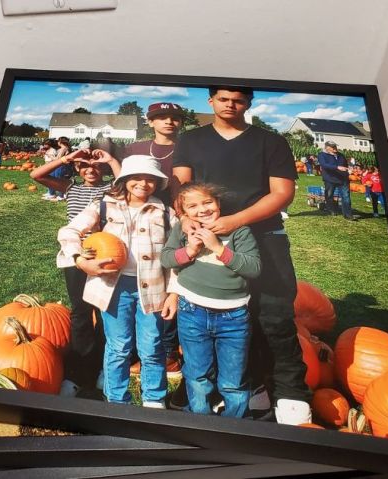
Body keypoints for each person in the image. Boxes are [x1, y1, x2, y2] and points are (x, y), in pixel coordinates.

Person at [172, 86, 312, 425]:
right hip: (205, 237)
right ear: (211, 101)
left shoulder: (270, 142)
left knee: (275, 315)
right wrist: (186, 217)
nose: (230, 105)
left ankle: (290, 393)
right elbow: (181, 185)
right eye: (223, 99)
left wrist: (234, 221)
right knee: (217, 315)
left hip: (264, 234)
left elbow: (283, 193)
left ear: (248, 103)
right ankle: (239, 386)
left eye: (238, 100)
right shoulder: (191, 140)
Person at [58, 155, 178, 407]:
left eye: (150, 179)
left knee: (152, 347)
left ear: (157, 183)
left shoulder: (166, 213)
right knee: (118, 346)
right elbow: (68, 231)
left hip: (154, 289)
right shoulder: (103, 206)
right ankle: (115, 400)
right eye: (136, 177)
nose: (143, 184)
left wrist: (174, 292)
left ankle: (154, 400)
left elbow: (176, 256)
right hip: (114, 288)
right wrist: (80, 259)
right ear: (124, 180)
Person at [161, 182, 261, 417]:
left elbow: (254, 268)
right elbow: (166, 259)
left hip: (233, 316)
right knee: (197, 375)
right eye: (193, 206)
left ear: (218, 204)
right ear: (184, 212)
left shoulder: (238, 231)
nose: (202, 209)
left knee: (233, 380)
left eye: (208, 202)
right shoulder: (183, 230)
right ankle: (200, 421)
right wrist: (191, 251)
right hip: (192, 310)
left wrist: (218, 248)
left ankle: (232, 426)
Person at [32, 148, 121, 398]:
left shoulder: (113, 188)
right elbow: (35, 175)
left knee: (106, 311)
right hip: (77, 255)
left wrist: (111, 161)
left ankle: (105, 365)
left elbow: (126, 180)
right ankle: (80, 369)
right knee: (81, 311)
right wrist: (66, 159)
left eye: (95, 167)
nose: (90, 170)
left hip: (106, 253)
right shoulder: (70, 187)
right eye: (84, 167)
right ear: (77, 169)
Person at [121, 101, 186, 380]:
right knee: (138, 287)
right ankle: (136, 351)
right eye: (161, 117)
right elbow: (125, 179)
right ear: (150, 121)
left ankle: (169, 352)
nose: (168, 122)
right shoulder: (135, 148)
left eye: (174, 118)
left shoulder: (188, 147)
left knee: (166, 282)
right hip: (139, 218)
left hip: (173, 217)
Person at [318, 140, 356, 221]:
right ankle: (331, 209)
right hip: (330, 179)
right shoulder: (322, 155)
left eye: (335, 146)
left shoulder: (341, 155)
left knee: (346, 196)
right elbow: (324, 165)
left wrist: (349, 169)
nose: (335, 148)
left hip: (343, 179)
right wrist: (337, 167)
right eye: (333, 147)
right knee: (329, 195)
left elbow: (345, 165)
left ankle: (348, 215)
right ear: (327, 147)